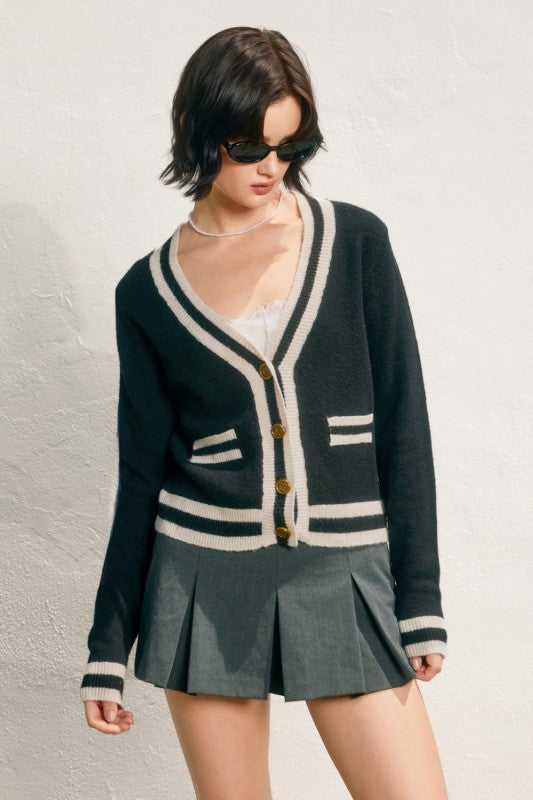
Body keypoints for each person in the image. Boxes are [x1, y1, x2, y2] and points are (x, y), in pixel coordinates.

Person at [80, 26, 449, 800]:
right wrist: (107, 646)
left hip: (342, 570)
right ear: (197, 130)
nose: (270, 168)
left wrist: (418, 600)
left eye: (289, 146)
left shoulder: (354, 242)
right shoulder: (146, 292)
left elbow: (403, 423)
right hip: (201, 582)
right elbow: (140, 473)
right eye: (248, 147)